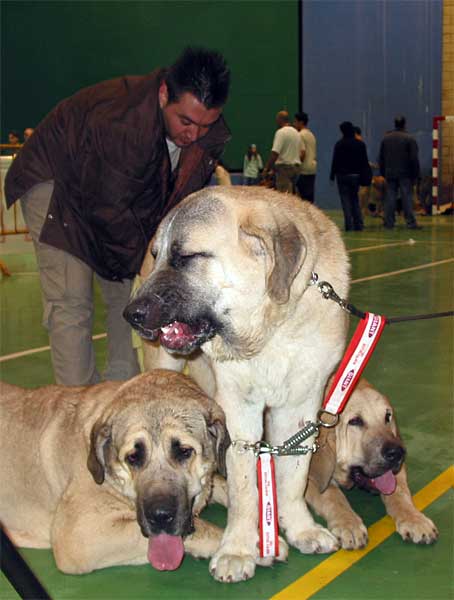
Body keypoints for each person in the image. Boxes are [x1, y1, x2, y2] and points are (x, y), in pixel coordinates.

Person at [4, 47, 231, 386]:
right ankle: (79, 408)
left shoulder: (205, 133)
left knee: (132, 297)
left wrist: (153, 265)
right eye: (185, 121)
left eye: (205, 124)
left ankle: (124, 391)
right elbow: (108, 212)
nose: (194, 134)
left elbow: (173, 204)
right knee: (72, 301)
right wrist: (148, 266)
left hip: (119, 201)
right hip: (57, 188)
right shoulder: (122, 124)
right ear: (164, 94)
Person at [378, 116, 421, 229]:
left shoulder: (386, 139)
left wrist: (383, 172)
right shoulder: (409, 138)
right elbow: (413, 159)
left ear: (395, 123)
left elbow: (381, 158)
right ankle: (410, 223)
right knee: (406, 197)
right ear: (404, 124)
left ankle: (389, 223)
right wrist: (415, 174)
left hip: (390, 173)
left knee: (390, 197)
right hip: (405, 173)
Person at [330, 121, 371, 231]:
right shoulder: (360, 144)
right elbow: (364, 162)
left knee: (345, 201)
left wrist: (332, 176)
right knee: (355, 200)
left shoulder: (339, 144)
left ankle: (349, 225)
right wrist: (366, 176)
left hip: (342, 176)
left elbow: (335, 161)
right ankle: (359, 224)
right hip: (355, 176)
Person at [262, 110, 302, 193]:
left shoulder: (280, 132)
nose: (276, 122)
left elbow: (275, 153)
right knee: (294, 197)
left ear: (280, 119)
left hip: (284, 170)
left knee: (285, 197)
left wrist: (266, 169)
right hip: (296, 169)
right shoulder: (296, 133)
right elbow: (301, 152)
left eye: (277, 119)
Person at [293, 111, 317, 202]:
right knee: (310, 199)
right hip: (312, 168)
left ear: (301, 122)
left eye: (295, 122)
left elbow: (302, 154)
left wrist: (295, 164)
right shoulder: (311, 134)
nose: (294, 124)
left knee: (303, 200)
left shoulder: (300, 135)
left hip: (304, 170)